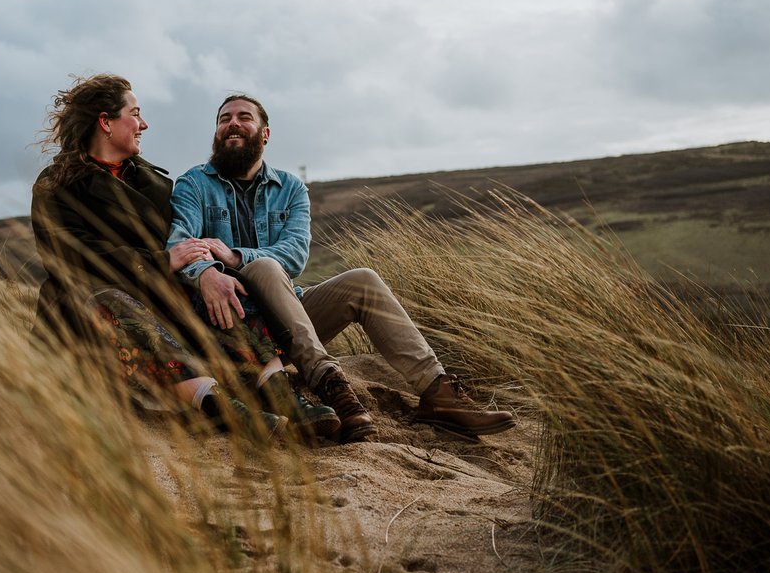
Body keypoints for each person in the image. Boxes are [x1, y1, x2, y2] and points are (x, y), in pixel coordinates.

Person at [167, 93, 515, 441]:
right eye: (224, 119)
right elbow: (181, 244)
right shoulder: (194, 183)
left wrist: (235, 257)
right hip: (231, 321)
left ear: (265, 134)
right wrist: (209, 272)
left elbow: (294, 254)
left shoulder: (289, 188)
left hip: (288, 316)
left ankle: (437, 392)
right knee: (267, 267)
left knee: (361, 280)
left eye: (244, 117)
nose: (232, 124)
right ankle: (333, 386)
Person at [30, 75, 338, 440]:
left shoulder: (157, 185)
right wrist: (161, 263)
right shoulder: (57, 183)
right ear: (106, 122)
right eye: (136, 114)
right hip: (86, 311)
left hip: (163, 303)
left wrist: (210, 275)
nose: (144, 124)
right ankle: (221, 409)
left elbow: (185, 245)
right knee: (114, 302)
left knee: (223, 292)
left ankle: (281, 394)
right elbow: (68, 256)